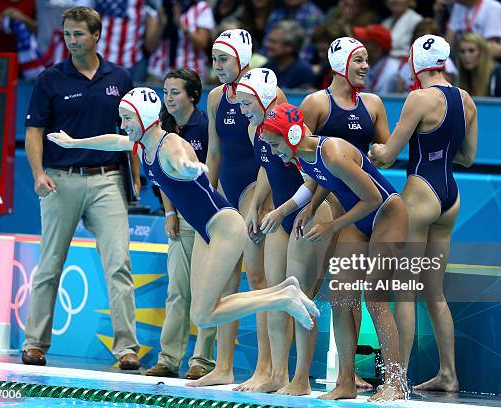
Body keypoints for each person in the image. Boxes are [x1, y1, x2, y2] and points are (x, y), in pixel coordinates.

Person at [46, 87, 319, 345]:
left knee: (202, 315)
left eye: (128, 118)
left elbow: (180, 161)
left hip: (225, 227)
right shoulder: (143, 145)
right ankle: (283, 292)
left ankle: (283, 297)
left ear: (144, 117)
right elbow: (113, 142)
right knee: (202, 313)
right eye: (122, 118)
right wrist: (73, 143)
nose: (123, 124)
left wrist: (189, 169)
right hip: (209, 229)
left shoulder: (170, 146)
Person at [261, 103, 409, 401]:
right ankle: (345, 382)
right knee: (341, 297)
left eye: (275, 145)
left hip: (387, 214)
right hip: (359, 217)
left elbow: (373, 197)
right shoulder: (302, 155)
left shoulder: (334, 153)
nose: (275, 152)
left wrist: (332, 226)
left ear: (291, 135)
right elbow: (321, 181)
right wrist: (309, 208)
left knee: (375, 299)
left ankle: (396, 383)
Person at [22, 6, 140, 370]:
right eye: (67, 34)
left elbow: (132, 131)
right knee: (49, 266)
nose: (72, 40)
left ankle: (126, 348)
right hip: (62, 180)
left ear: (96, 36)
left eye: (78, 34)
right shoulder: (50, 79)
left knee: (118, 263)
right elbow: (33, 131)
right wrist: (38, 173)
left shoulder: (119, 77)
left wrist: (134, 179)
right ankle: (34, 344)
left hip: (107, 179)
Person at [369, 34, 478, 393]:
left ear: (415, 62)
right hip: (450, 196)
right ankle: (449, 374)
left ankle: (397, 381)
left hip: (420, 194)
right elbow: (467, 157)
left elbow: (388, 155)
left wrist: (370, 151)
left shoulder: (419, 98)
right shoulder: (466, 100)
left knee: (404, 291)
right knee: (434, 293)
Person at [300, 36, 391, 392]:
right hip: (327, 202)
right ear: (340, 65)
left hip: (361, 203)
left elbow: (384, 152)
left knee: (349, 291)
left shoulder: (373, 103)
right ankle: (300, 373)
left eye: (367, 60)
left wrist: (378, 154)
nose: (366, 67)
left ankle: (347, 372)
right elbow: (299, 154)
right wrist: (305, 205)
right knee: (318, 284)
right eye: (359, 60)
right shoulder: (316, 103)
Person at [236, 68, 333, 395]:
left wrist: (281, 211)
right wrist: (255, 207)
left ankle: (301, 378)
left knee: (301, 297)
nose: (241, 108)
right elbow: (268, 166)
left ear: (264, 99)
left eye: (247, 102)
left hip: (307, 212)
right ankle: (277, 373)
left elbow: (315, 178)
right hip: (280, 214)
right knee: (278, 297)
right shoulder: (255, 129)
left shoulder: (293, 128)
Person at [198, 28, 285, 390]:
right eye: (215, 59)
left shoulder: (269, 94)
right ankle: (223, 366)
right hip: (226, 194)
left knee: (258, 278)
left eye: (224, 59)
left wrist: (261, 201)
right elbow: (214, 152)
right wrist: (207, 195)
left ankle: (265, 368)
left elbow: (274, 154)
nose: (217, 66)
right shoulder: (216, 97)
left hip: (257, 192)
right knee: (224, 279)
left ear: (243, 60)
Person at [144, 69, 216, 381]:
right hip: (179, 215)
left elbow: (212, 171)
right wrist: (169, 213)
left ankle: (202, 360)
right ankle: (169, 358)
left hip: (207, 216)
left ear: (192, 96)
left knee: (205, 291)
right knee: (176, 290)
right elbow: (164, 178)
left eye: (175, 92)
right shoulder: (162, 126)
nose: (168, 98)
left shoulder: (206, 126)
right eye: (166, 92)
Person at [457, 32, 501, 97]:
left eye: (471, 51)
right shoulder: (461, 79)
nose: (466, 56)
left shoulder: (499, 76)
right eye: (462, 51)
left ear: (482, 53)